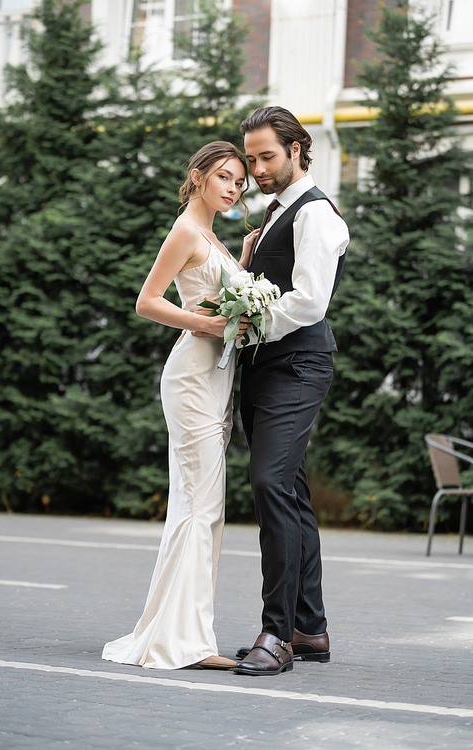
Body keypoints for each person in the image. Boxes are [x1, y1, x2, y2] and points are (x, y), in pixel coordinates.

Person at [102, 141, 254, 670]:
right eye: (225, 177)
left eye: (239, 181)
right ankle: (187, 643)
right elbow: (148, 300)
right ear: (198, 176)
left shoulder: (214, 235)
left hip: (216, 379)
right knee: (199, 505)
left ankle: (187, 632)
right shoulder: (187, 230)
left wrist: (247, 264)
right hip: (192, 376)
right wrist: (207, 323)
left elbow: (221, 292)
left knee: (205, 510)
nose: (235, 187)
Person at [233, 106, 350, 676]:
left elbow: (308, 301)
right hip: (265, 368)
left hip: (297, 365)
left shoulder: (316, 214)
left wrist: (248, 323)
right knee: (293, 493)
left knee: (269, 481)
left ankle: (276, 634)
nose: (257, 168)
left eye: (267, 157)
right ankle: (310, 628)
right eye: (251, 158)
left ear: (297, 149)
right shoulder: (273, 216)